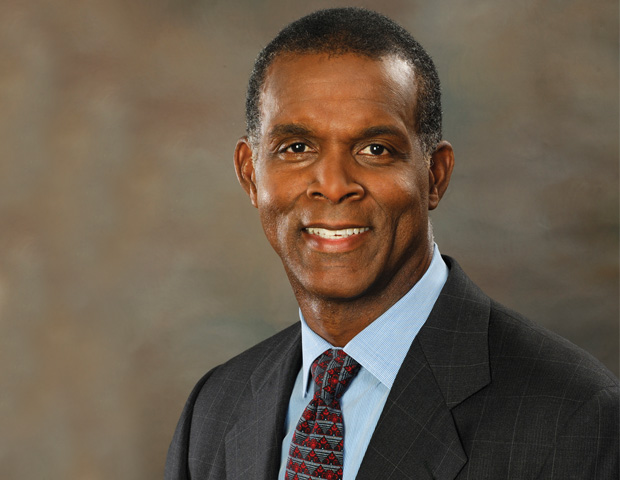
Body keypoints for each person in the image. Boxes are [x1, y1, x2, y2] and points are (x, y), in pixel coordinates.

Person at [165, 7, 618, 480]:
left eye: (375, 150)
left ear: (435, 175)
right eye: (296, 148)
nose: (333, 185)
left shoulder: (575, 419)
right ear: (250, 174)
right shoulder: (214, 410)